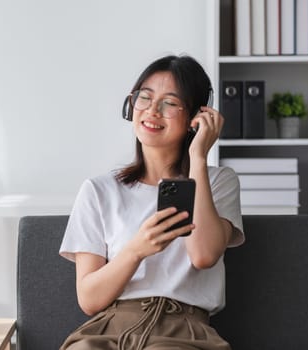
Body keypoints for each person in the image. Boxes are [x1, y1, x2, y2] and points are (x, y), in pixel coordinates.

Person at [59, 54, 244, 350]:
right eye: (144, 98)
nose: (152, 110)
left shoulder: (219, 182)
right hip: (106, 330)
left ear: (195, 118)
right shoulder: (99, 190)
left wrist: (198, 158)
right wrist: (137, 249)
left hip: (183, 332)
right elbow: (89, 299)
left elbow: (204, 255)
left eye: (170, 102)